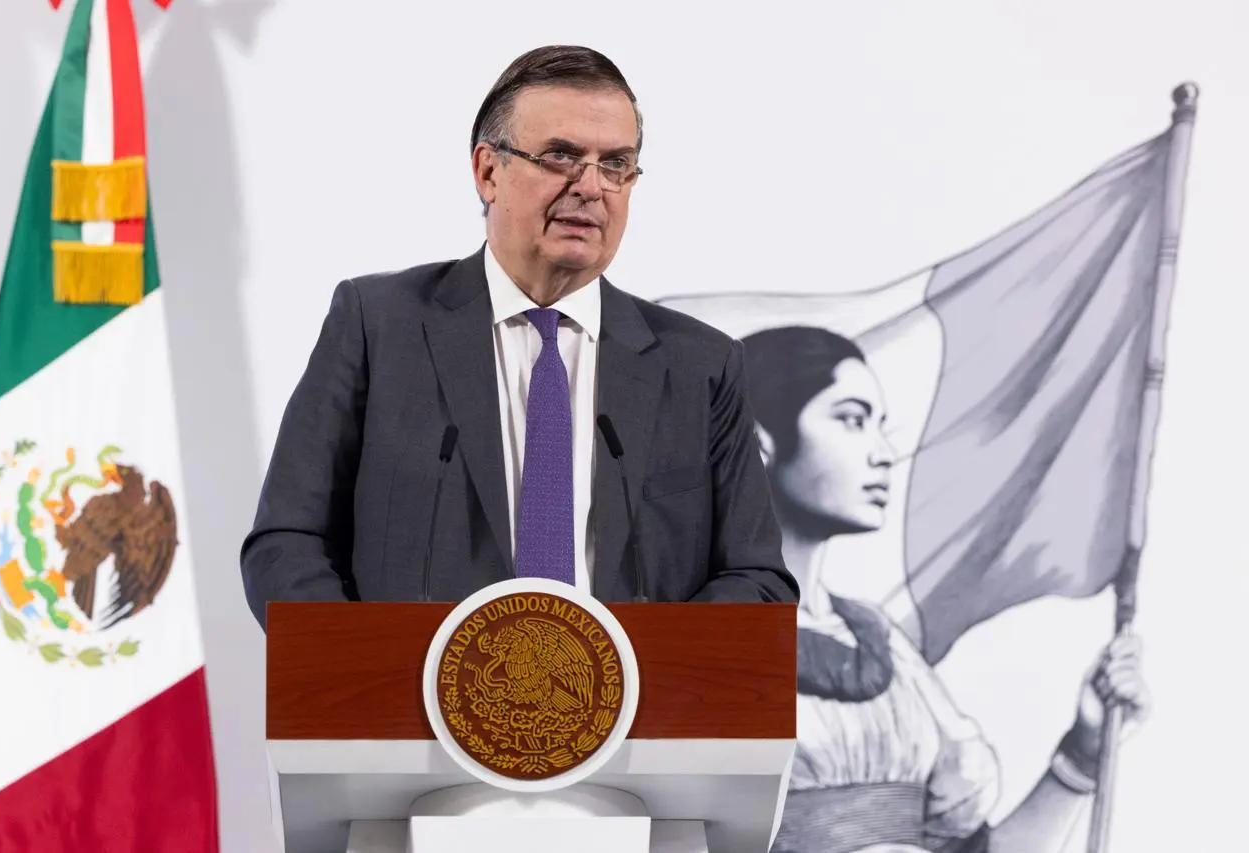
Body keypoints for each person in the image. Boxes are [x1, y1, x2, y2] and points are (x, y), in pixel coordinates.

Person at [239, 46, 798, 628]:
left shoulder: (700, 365)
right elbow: (287, 543)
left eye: (616, 165)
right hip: (413, 711)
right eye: (561, 156)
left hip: (628, 713)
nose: (591, 187)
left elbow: (757, 580)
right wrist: (370, 680)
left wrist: (626, 681)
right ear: (488, 171)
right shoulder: (377, 325)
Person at [741, 326, 1150, 853]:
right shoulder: (706, 633)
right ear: (759, 443)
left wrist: (1083, 753)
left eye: (880, 426)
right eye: (851, 420)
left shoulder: (880, 643)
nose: (884, 453)